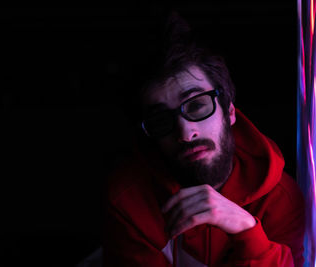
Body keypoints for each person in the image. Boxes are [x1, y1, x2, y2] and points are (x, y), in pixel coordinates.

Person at [102, 13, 305, 267]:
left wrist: (246, 231)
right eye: (162, 120)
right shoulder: (128, 199)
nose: (186, 133)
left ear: (229, 112)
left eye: (197, 105)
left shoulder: (281, 199)